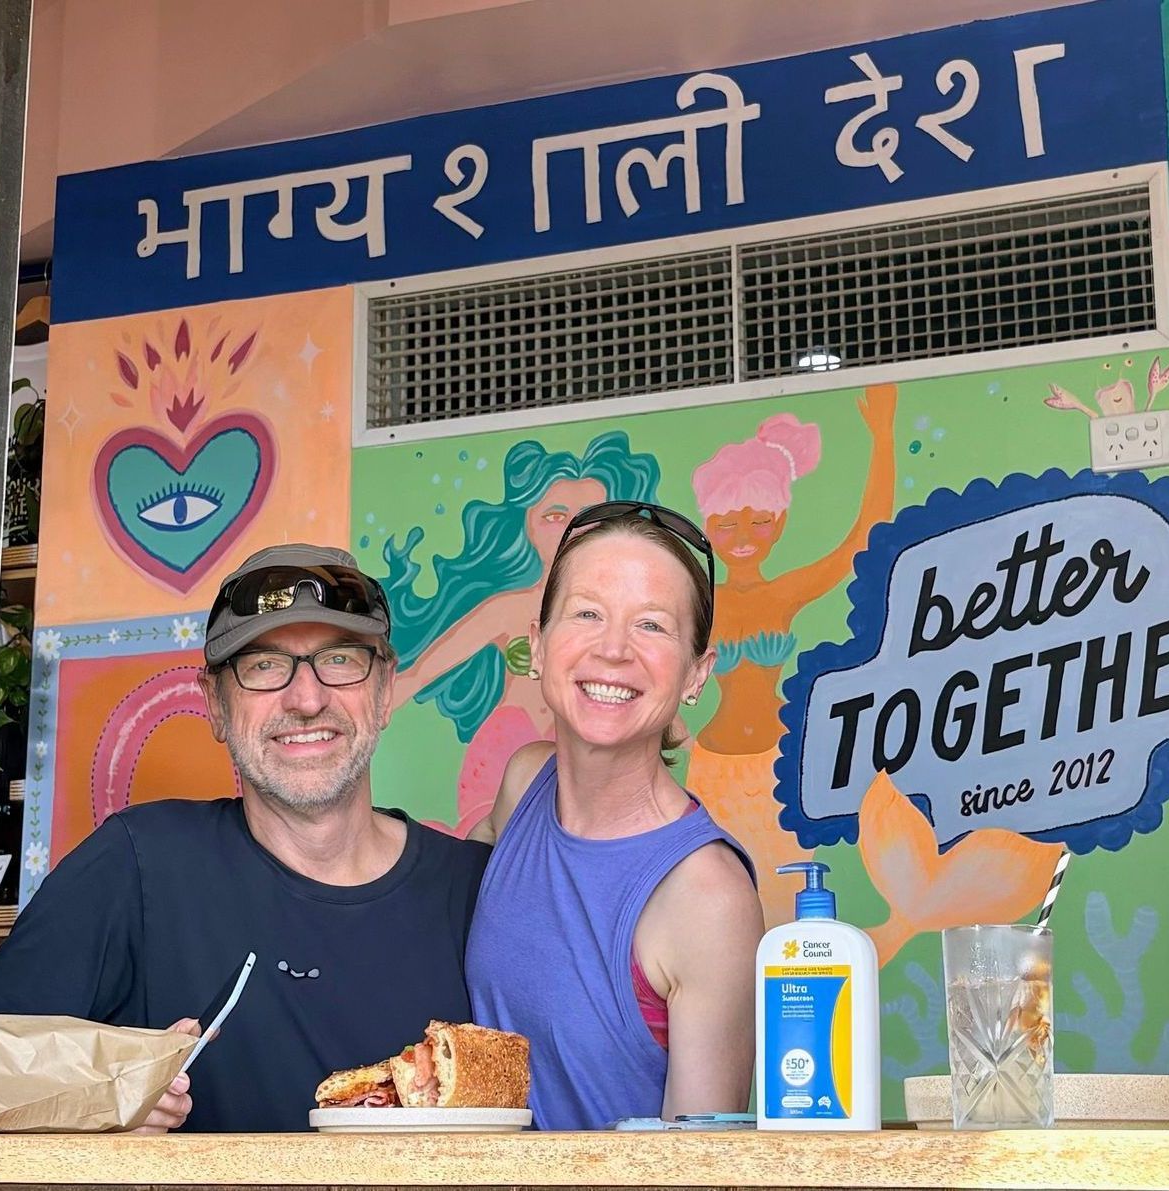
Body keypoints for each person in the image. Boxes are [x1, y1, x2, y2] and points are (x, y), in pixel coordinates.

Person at [0, 545, 490, 1133]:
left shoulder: (482, 890)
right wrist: (88, 1115)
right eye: (265, 665)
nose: (306, 698)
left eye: (341, 659)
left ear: (384, 690)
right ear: (215, 703)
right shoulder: (137, 865)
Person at [464, 502, 763, 1130]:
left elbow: (699, 1174)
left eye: (651, 625)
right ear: (539, 646)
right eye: (588, 613)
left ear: (695, 673)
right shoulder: (523, 786)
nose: (614, 648)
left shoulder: (707, 895)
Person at [380, 432, 660, 834]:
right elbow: (424, 670)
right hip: (503, 753)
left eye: (590, 517)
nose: (571, 530)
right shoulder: (508, 609)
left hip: (587, 765)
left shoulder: (622, 620)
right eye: (555, 515)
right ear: (530, 525)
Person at [687, 389, 896, 924]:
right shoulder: (701, 600)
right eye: (726, 523)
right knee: (715, 909)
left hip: (779, 767)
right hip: (713, 770)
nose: (741, 537)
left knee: (789, 906)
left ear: (779, 524)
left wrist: (883, 436)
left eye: (758, 521)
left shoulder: (782, 595)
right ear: (709, 528)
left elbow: (864, 538)